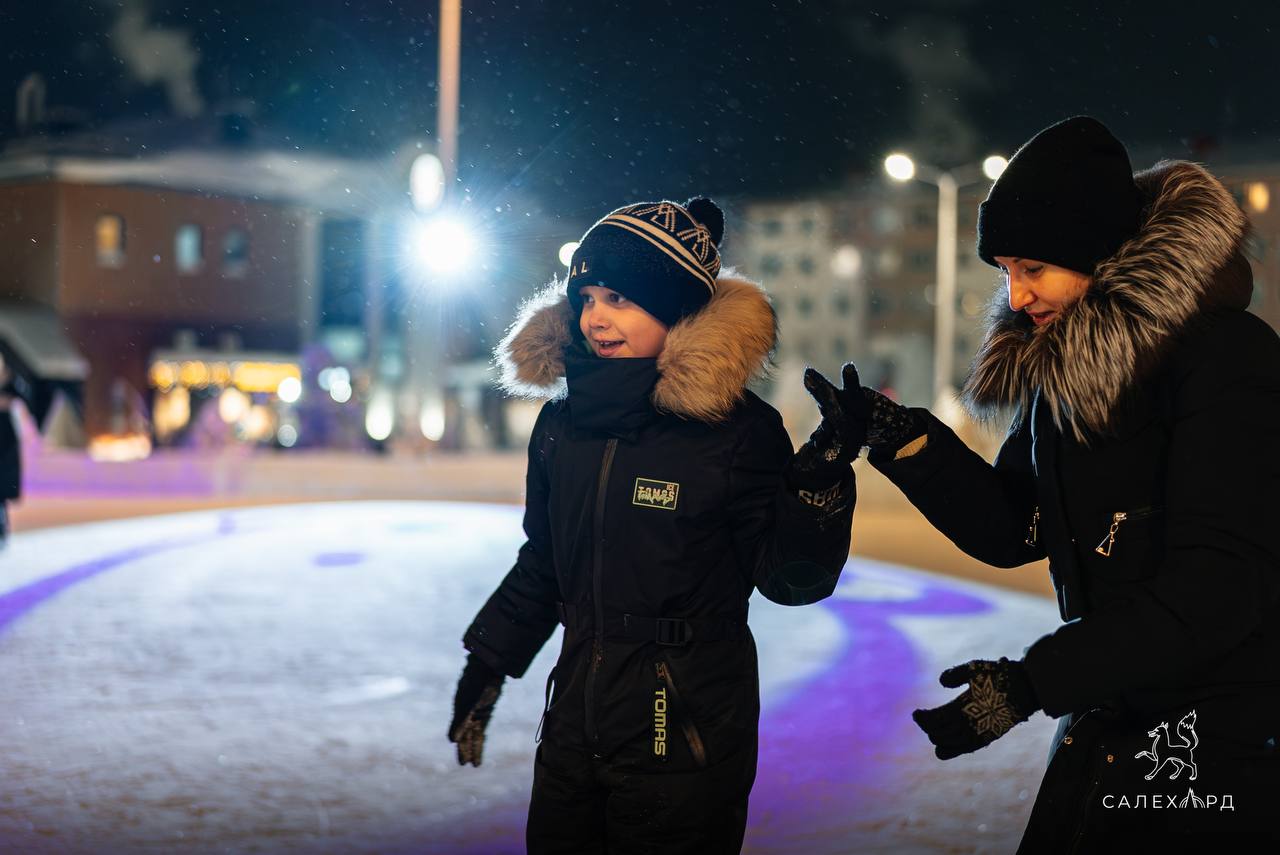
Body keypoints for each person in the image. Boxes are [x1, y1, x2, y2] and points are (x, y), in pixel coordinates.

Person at [839, 117, 1280, 849]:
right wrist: (907, 442)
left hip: (1220, 742)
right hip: (1104, 720)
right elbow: (1017, 526)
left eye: (1033, 268)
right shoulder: (1063, 375)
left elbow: (1218, 590)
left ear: (1101, 256)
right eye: (1005, 271)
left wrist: (1034, 682)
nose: (1016, 297)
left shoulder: (1229, 361)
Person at [448, 197, 863, 853]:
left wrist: (820, 483)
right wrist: (489, 661)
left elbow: (790, 580)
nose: (596, 317)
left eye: (619, 298)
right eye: (587, 298)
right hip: (573, 728)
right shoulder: (562, 424)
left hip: (685, 735)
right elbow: (546, 561)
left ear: (674, 309)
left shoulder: (736, 431)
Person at [0, 355, 20, 546]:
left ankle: (3, 530)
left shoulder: (11, 381)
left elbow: (15, 398)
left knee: (2, 496)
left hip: (5, 439)